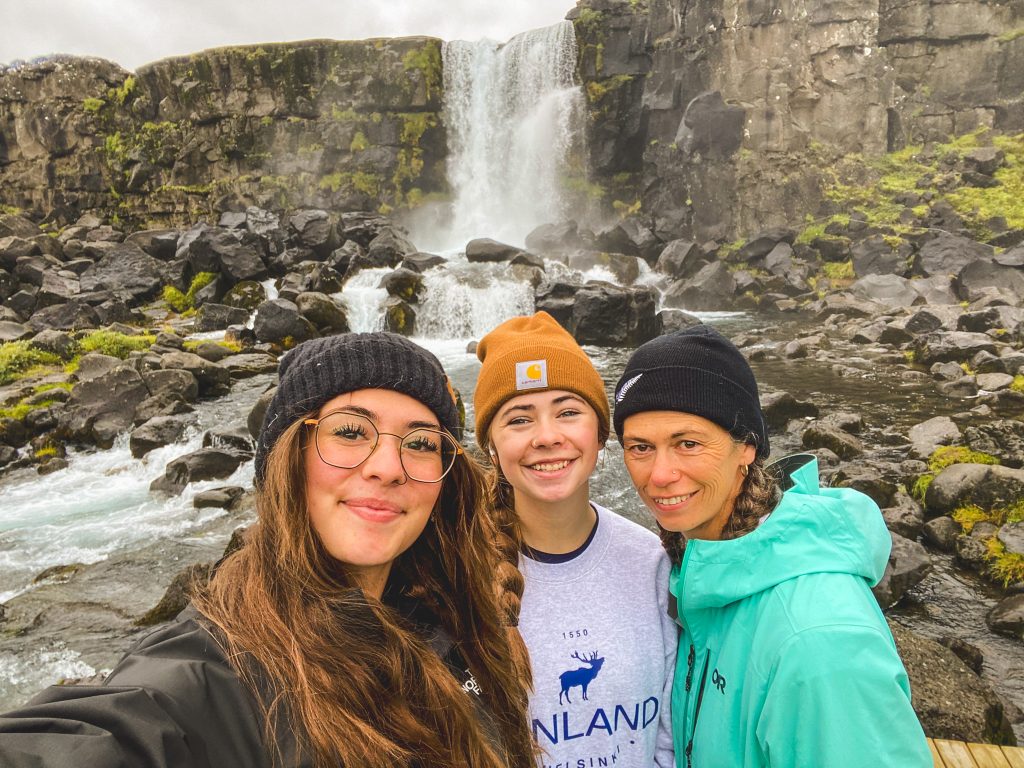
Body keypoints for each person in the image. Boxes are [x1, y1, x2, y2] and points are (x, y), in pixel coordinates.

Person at [0, 332, 536, 768]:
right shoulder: (218, 671)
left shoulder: (448, 624)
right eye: (350, 431)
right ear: (287, 459)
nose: (388, 467)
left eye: (420, 442)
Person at [612, 324, 932, 768]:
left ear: (746, 447)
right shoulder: (702, 565)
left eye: (687, 443)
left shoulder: (816, 642)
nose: (660, 474)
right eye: (640, 447)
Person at [474, 311, 676, 768]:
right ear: (490, 446)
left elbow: (668, 735)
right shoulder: (456, 573)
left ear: (601, 432)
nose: (547, 437)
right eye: (519, 419)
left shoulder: (651, 562)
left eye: (567, 412)